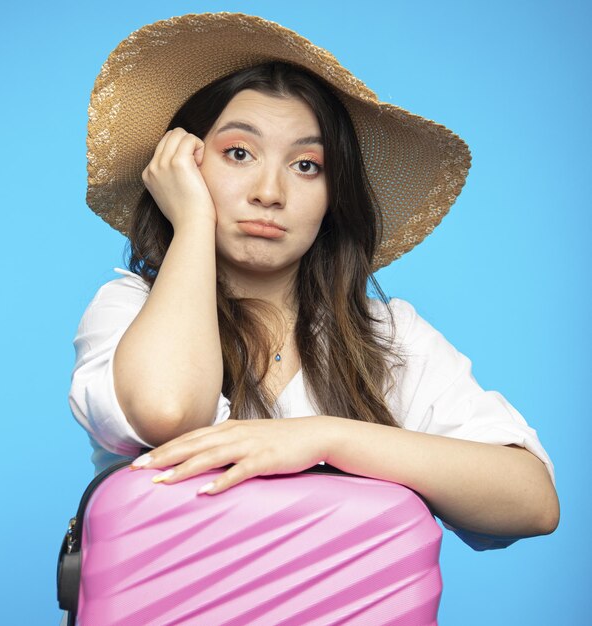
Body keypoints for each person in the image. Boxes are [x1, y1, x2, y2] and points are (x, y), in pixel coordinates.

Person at [70, 13, 559, 555]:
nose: (269, 192)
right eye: (238, 154)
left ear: (333, 197)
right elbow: (168, 410)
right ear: (186, 165)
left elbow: (532, 501)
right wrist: (191, 224)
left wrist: (325, 437)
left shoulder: (386, 334)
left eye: (306, 165)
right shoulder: (129, 307)